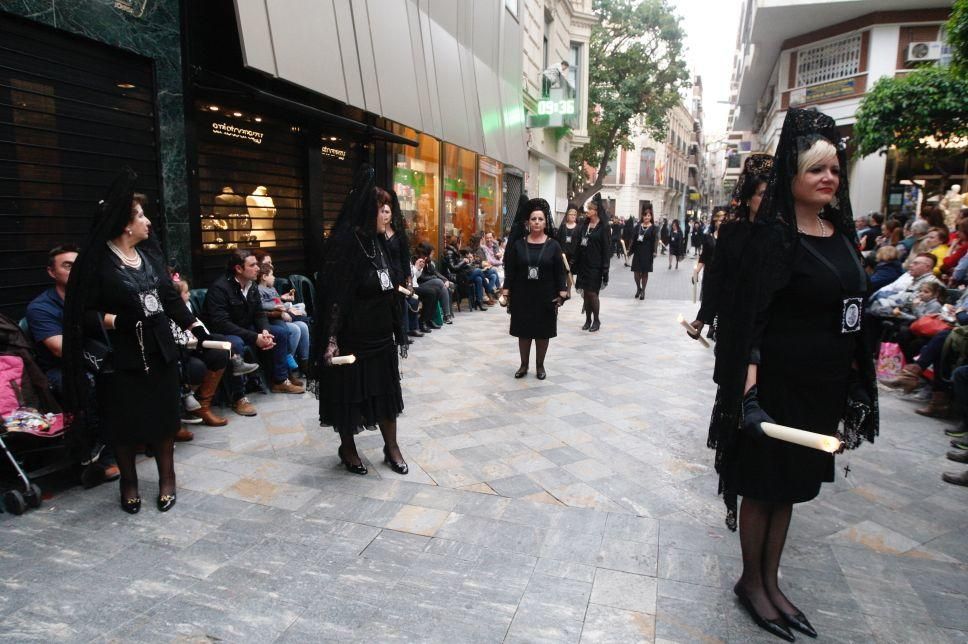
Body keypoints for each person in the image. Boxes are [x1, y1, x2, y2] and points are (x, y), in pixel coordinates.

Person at [706, 109, 877, 641]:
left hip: (819, 389)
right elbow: (751, 323)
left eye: (834, 169)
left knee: (790, 491)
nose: (828, 178)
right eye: (815, 170)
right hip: (775, 388)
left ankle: (772, 582)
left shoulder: (839, 233)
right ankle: (751, 584)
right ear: (793, 177)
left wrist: (852, 384)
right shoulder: (774, 239)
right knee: (763, 488)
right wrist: (749, 399)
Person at [62, 169, 210, 514]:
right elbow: (82, 313)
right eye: (141, 216)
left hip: (159, 352)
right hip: (120, 357)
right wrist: (119, 321)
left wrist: (196, 327)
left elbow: (171, 300)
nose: (148, 222)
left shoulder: (149, 257)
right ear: (126, 225)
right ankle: (129, 483)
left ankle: (167, 479)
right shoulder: (96, 264)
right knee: (123, 423)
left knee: (163, 419)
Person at [309, 167, 408, 476]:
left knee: (386, 393)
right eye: (382, 209)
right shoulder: (346, 245)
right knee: (349, 395)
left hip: (381, 334)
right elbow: (335, 297)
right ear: (368, 210)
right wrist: (332, 338)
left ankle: (391, 447)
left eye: (389, 208)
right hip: (353, 337)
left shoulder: (381, 242)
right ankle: (347, 447)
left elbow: (392, 280)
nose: (388, 214)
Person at [26, 244, 121, 485]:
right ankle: (99, 455)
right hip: (61, 369)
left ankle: (133, 435)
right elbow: (60, 349)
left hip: (98, 360)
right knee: (87, 383)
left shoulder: (92, 298)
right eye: (67, 266)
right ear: (51, 272)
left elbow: (115, 325)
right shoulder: (41, 307)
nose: (75, 271)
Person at [204, 250, 305, 418]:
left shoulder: (251, 287)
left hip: (245, 326)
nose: (258, 268)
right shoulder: (219, 289)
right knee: (235, 343)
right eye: (252, 265)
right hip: (223, 332)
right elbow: (221, 324)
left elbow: (258, 313)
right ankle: (238, 397)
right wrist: (254, 337)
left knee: (279, 331)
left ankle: (279, 381)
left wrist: (264, 330)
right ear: (238, 268)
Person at [690, 154, 773, 338]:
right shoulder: (730, 232)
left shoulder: (781, 235)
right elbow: (717, 277)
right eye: (761, 194)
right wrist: (703, 317)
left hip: (767, 328)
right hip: (732, 321)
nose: (768, 199)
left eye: (771, 194)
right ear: (748, 197)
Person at [502, 198, 568, 380]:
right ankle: (524, 365)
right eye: (533, 219)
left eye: (540, 219)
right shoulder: (518, 245)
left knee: (542, 332)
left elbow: (559, 272)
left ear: (545, 222)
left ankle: (540, 366)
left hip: (545, 296)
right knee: (523, 332)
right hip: (522, 295)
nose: (537, 222)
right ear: (527, 222)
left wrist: (562, 292)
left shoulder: (553, 245)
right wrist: (506, 291)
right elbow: (511, 271)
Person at [257, 266, 310, 381]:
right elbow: (262, 305)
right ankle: (287, 365)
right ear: (264, 277)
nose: (274, 277)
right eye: (272, 275)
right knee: (295, 329)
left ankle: (305, 364)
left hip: (281, 314)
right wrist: (281, 308)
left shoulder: (272, 289)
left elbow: (279, 302)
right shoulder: (259, 290)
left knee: (303, 325)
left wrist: (286, 303)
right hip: (274, 319)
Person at [574, 194, 610, 332]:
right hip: (583, 264)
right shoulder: (584, 225)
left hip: (596, 266)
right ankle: (587, 320)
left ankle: (596, 320)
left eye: (590, 209)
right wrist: (574, 262)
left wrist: (605, 269)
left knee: (592, 293)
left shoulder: (603, 227)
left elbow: (606, 249)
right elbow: (579, 244)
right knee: (586, 294)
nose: (587, 211)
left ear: (596, 210)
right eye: (587, 208)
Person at [629, 209, 657, 300]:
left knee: (645, 273)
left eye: (649, 216)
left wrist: (654, 251)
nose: (646, 217)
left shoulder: (653, 228)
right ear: (642, 216)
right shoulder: (637, 226)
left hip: (647, 252)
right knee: (636, 272)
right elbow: (633, 238)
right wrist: (630, 249)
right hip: (637, 251)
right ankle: (638, 288)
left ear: (651, 217)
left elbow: (655, 241)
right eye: (645, 215)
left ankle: (643, 291)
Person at [557, 205, 581, 270]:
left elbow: (579, 243)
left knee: (571, 276)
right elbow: (558, 240)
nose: (573, 216)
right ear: (567, 216)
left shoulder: (579, 228)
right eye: (571, 214)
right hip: (563, 255)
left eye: (574, 215)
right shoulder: (562, 227)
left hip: (574, 257)